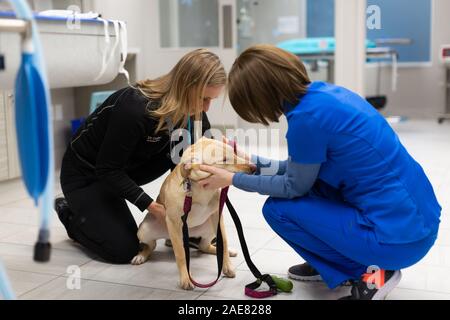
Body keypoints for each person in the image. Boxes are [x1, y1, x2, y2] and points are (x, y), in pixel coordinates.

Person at [197, 45, 441, 300]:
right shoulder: (324, 96)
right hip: (416, 223)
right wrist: (250, 162)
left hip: (397, 239)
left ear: (260, 95)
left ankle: (372, 274)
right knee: (316, 188)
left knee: (278, 210)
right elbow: (301, 171)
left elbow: (293, 186)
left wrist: (233, 179)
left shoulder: (306, 119)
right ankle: (329, 263)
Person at [55, 49, 226, 263]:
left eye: (211, 99)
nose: (206, 107)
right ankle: (71, 216)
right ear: (185, 86)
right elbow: (107, 169)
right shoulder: (135, 108)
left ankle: (185, 237)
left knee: (187, 154)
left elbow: (198, 157)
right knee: (123, 250)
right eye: (204, 98)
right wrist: (154, 208)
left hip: (126, 169)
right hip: (87, 175)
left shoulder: (193, 111)